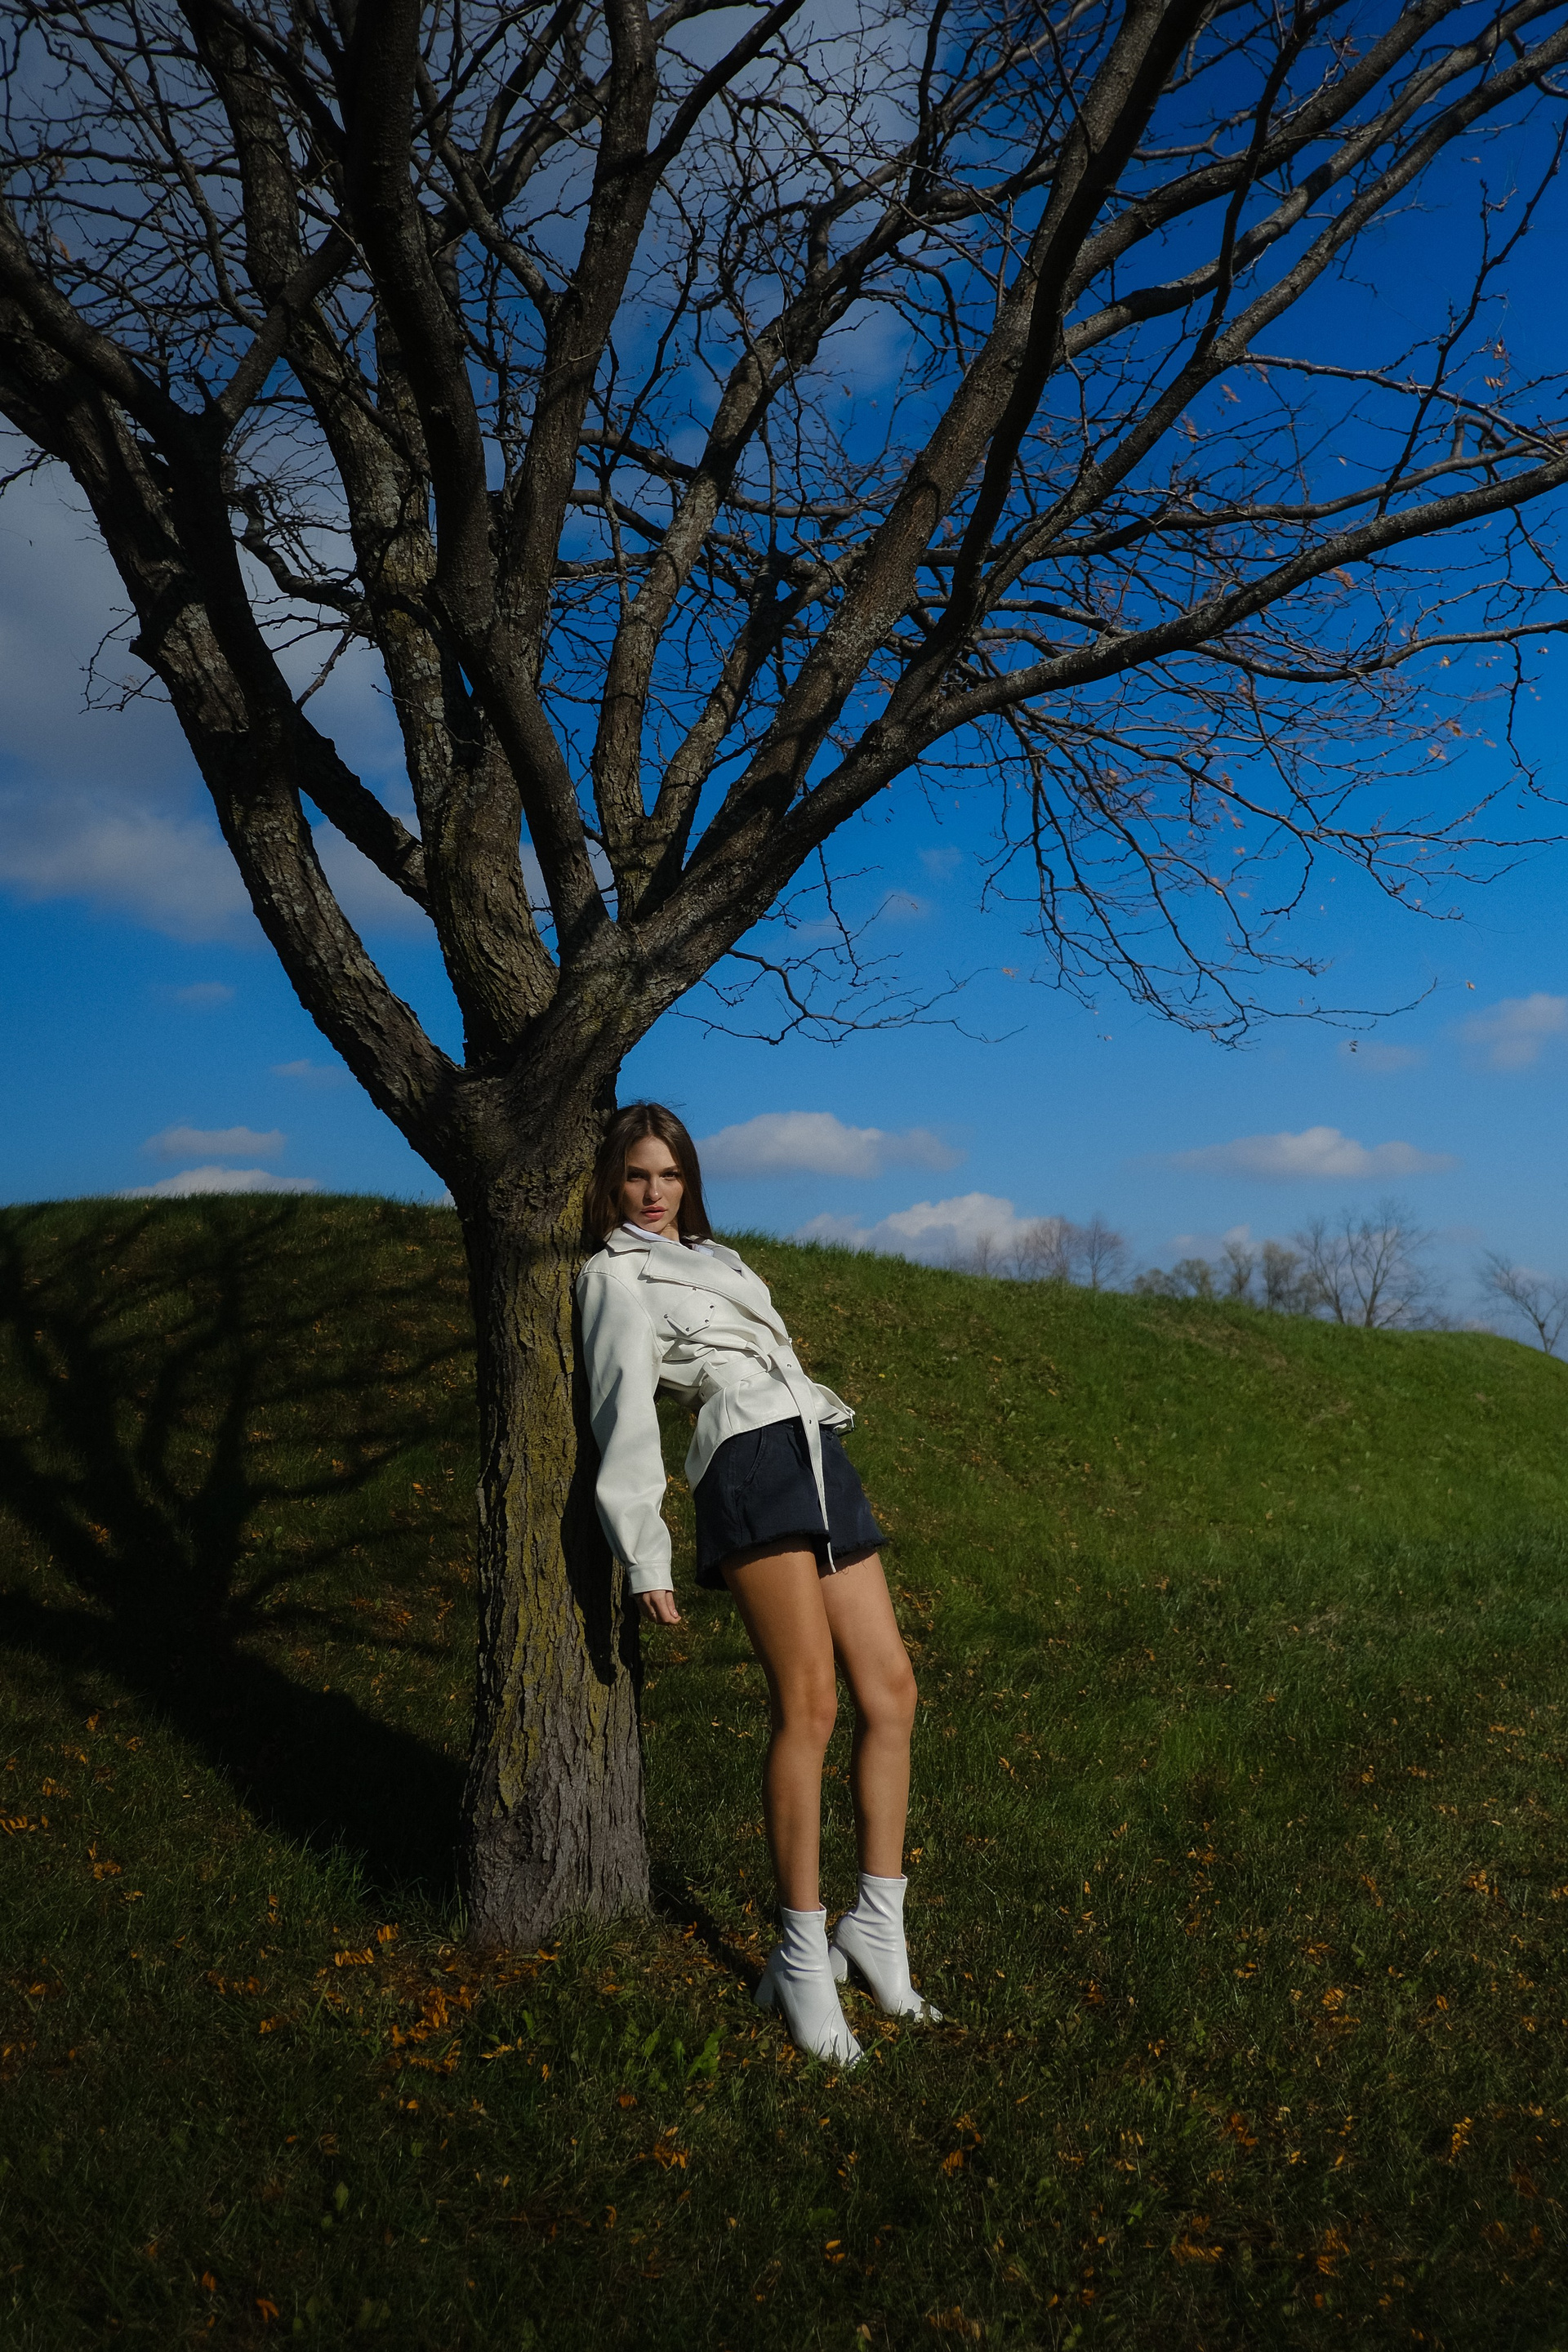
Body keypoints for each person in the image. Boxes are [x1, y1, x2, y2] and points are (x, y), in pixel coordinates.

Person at [577, 1102, 940, 2065]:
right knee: (809, 1706)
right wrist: (643, 1552)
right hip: (744, 1464)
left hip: (816, 1451)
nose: (653, 1193)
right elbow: (622, 1416)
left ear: (688, 1180)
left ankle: (877, 1927)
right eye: (636, 1175)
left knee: (892, 1692)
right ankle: (800, 1954)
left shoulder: (722, 1259)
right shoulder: (614, 1276)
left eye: (669, 1175)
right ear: (612, 1182)